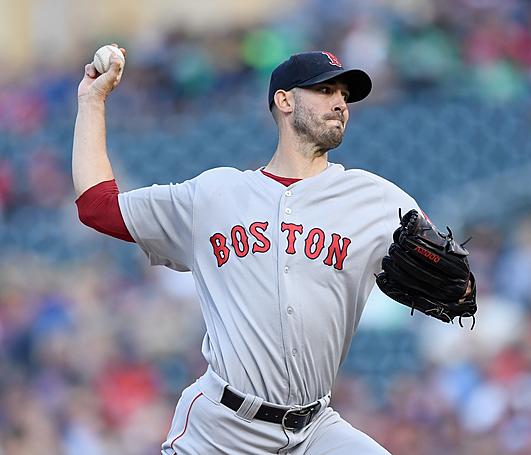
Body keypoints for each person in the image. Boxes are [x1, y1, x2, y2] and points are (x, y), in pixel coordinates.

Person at [72, 47, 439, 454]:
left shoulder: (377, 199)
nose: (339, 102)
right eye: (325, 89)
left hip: (314, 429)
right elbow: (97, 207)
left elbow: (451, 273)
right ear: (284, 100)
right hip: (221, 429)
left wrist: (459, 290)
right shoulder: (214, 196)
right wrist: (92, 100)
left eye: (344, 94)